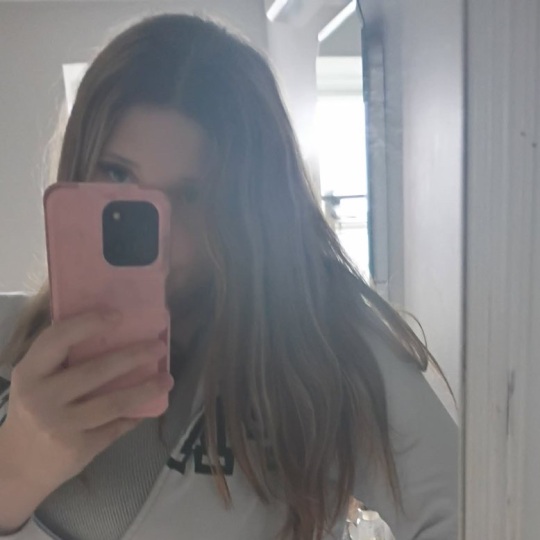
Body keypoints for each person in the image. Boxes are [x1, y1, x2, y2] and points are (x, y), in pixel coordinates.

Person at [0, 13, 458, 540]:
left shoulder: (319, 347)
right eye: (118, 173)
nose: (159, 233)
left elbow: (478, 512)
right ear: (79, 167)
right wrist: (14, 472)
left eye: (194, 194)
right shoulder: (5, 335)